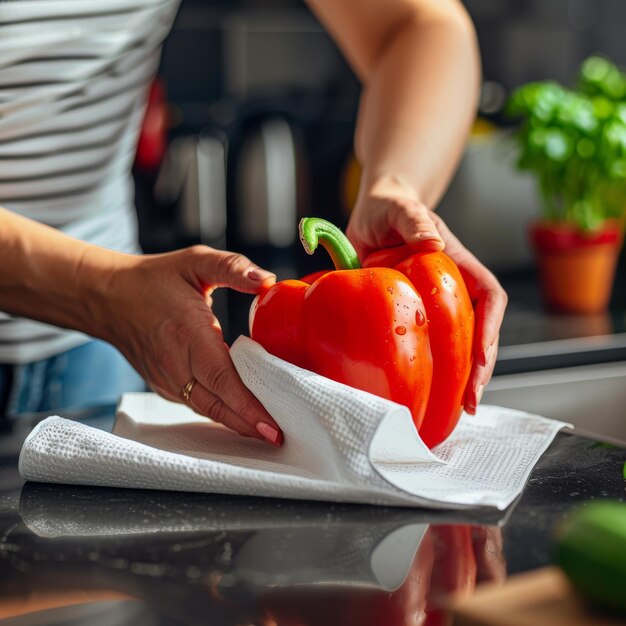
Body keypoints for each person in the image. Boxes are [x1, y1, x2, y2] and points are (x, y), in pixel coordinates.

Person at [0, 0, 506, 446]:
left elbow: (420, 23)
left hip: (97, 350)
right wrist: (101, 290)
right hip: (107, 305)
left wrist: (395, 184)